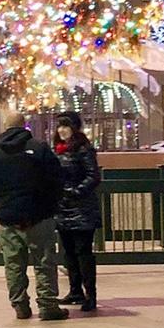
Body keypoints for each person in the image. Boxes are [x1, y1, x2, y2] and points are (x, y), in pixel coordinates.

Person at [0, 109, 67, 322]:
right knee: (44, 261)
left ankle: (20, 305)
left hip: (9, 218)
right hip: (39, 216)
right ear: (24, 126)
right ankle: (47, 305)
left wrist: (3, 203)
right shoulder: (39, 148)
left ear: (6, 127)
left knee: (13, 263)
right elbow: (56, 179)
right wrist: (49, 204)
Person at [53, 111, 102, 312]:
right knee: (69, 252)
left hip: (82, 209)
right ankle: (75, 290)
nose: (62, 130)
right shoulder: (57, 150)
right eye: (60, 126)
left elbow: (93, 176)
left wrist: (76, 191)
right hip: (63, 208)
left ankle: (90, 293)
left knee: (83, 252)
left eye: (66, 126)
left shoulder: (84, 149)